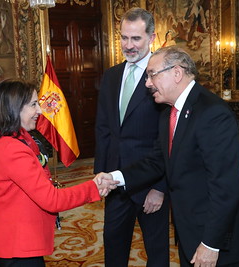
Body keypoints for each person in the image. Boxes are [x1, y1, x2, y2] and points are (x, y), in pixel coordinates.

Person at [96, 46, 239, 267]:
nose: (147, 83)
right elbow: (156, 161)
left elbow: (226, 186)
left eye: (152, 74)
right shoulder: (168, 114)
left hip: (217, 239)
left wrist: (211, 244)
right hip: (188, 231)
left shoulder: (212, 113)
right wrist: (115, 177)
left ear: (177, 73)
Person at [0, 79, 118, 267]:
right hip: (18, 247)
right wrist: (93, 187)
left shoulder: (14, 139)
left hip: (18, 241)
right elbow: (52, 199)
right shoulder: (12, 149)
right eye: (33, 104)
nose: (39, 110)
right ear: (14, 108)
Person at [94, 7, 169, 267]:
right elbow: (103, 129)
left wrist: (160, 188)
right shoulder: (111, 76)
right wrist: (102, 176)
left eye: (135, 38)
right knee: (113, 251)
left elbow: (169, 138)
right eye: (124, 38)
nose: (129, 45)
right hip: (115, 184)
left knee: (157, 254)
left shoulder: (164, 76)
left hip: (150, 184)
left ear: (151, 37)